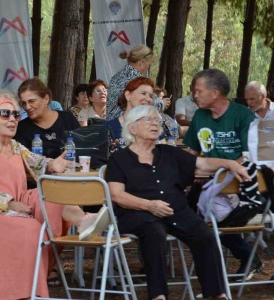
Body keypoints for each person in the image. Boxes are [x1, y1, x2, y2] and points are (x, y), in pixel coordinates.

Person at [0, 90, 109, 300]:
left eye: (16, 115)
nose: (13, 119)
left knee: (51, 196)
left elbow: (39, 163)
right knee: (31, 228)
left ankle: (85, 222)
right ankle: (27, 293)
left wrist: (53, 164)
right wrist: (8, 203)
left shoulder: (14, 146)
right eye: (5, 114)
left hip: (17, 203)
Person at [107, 105, 245, 300]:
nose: (155, 123)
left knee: (204, 235)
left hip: (176, 210)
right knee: (153, 232)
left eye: (156, 120)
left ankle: (216, 294)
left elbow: (203, 164)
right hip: (138, 213)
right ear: (132, 128)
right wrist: (150, 205)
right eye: (148, 120)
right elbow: (117, 195)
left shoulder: (169, 152)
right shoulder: (119, 159)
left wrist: (229, 163)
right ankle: (158, 296)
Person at [183, 69, 264, 278]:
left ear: (215, 92)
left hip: (238, 183)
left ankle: (234, 262)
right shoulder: (201, 116)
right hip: (208, 181)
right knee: (192, 213)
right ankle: (245, 259)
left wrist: (220, 171)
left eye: (199, 90)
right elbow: (191, 152)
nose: (195, 95)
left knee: (203, 214)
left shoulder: (243, 115)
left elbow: (249, 155)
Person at [14, 78, 80, 158]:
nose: (27, 107)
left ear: (46, 99)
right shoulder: (22, 128)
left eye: (32, 101)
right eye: (24, 103)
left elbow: (83, 149)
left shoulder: (67, 119)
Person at [107, 45, 168, 120]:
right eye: (148, 64)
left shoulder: (115, 77)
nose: (147, 68)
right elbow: (151, 103)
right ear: (142, 63)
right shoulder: (139, 82)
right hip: (128, 125)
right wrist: (162, 103)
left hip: (111, 124)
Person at [106, 77, 155, 151]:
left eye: (151, 96)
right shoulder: (108, 128)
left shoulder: (154, 127)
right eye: (143, 93)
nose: (148, 99)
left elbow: (165, 158)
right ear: (128, 95)